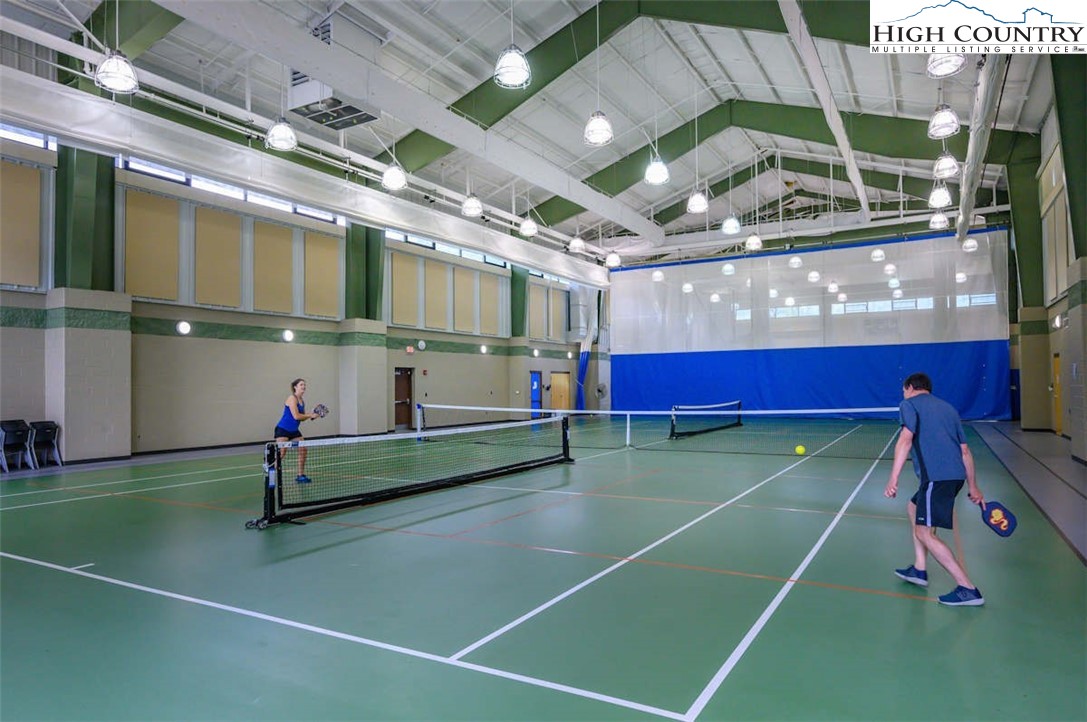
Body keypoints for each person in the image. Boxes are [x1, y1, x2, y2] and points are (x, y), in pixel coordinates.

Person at [884, 372, 986, 606]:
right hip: (955, 477)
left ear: (910, 387)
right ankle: (919, 569)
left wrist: (893, 478)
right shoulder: (949, 409)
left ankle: (968, 589)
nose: (903, 393)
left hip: (936, 479)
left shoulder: (908, 405)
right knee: (913, 507)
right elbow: (965, 451)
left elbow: (905, 439)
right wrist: (973, 486)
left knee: (924, 533)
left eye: (904, 389)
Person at [273, 378, 319, 483]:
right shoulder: (291, 398)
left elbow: (302, 418)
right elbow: (296, 416)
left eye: (304, 385)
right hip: (283, 429)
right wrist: (309, 415)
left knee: (303, 449)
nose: (304, 386)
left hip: (294, 431)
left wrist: (312, 416)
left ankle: (300, 475)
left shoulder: (302, 401)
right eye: (301, 384)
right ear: (295, 387)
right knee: (282, 452)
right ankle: (270, 469)